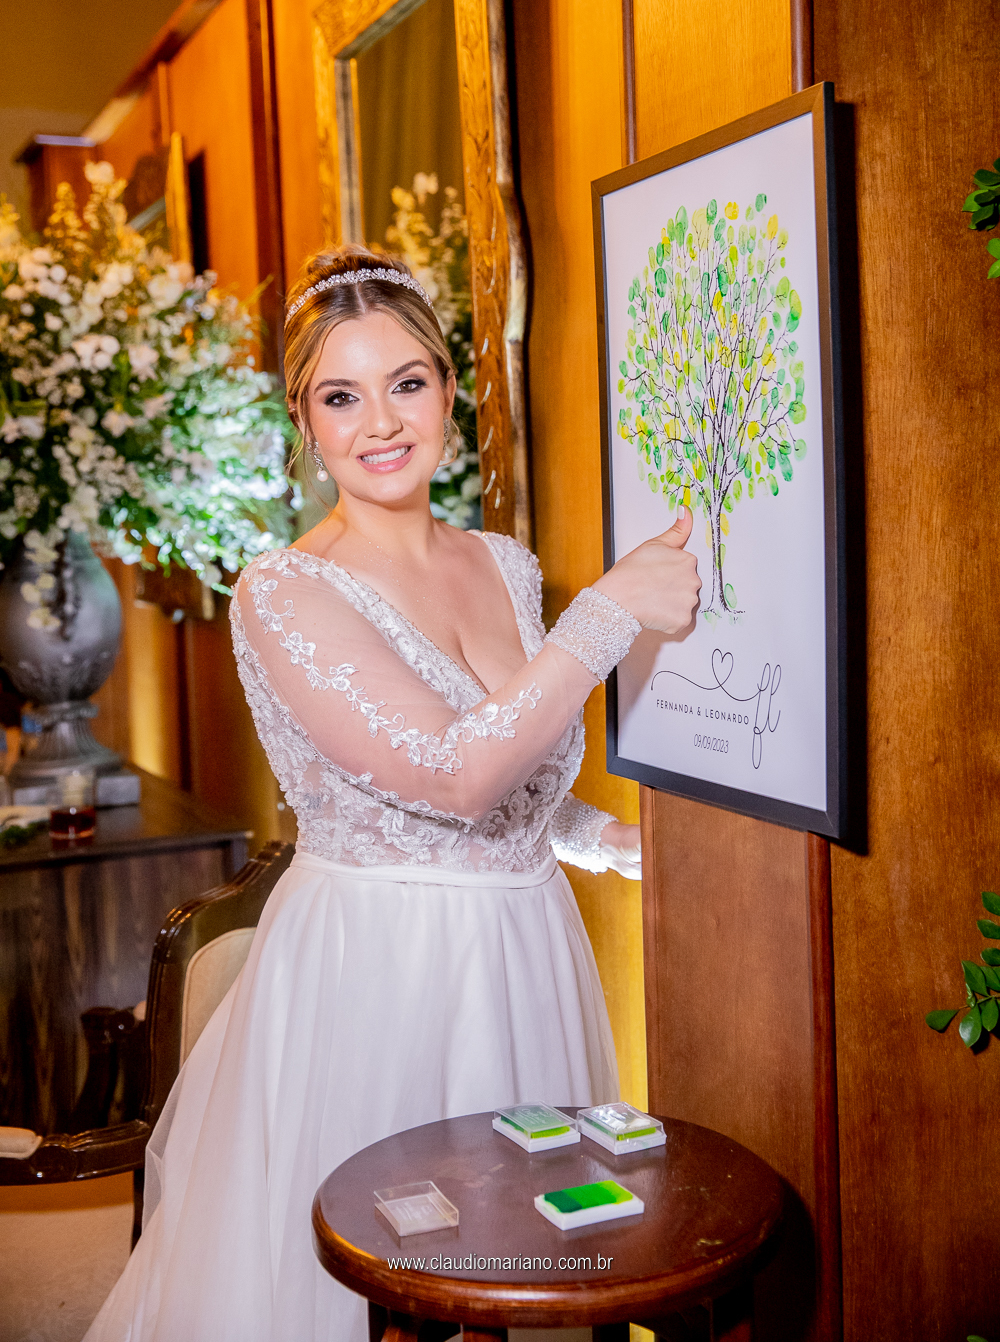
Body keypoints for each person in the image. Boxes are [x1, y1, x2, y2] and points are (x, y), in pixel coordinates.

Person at [85, 247, 700, 1342]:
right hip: (381, 972)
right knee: (393, 1277)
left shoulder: (504, 565)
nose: (380, 422)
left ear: (449, 391)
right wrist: (608, 614)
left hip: (528, 948)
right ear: (304, 419)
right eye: (341, 395)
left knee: (528, 1262)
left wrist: (610, 841)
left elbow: (511, 776)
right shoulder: (285, 591)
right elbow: (452, 776)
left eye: (407, 382)